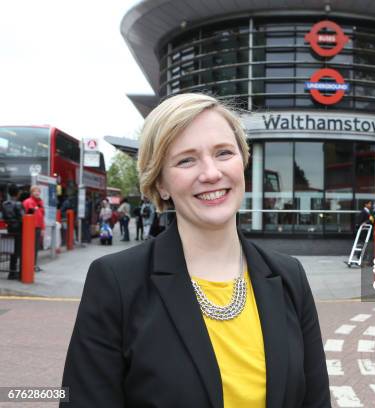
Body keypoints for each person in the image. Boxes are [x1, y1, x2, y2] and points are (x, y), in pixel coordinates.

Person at [61, 93, 330, 407]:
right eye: (186, 159)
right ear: (161, 183)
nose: (211, 173)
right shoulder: (116, 282)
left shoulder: (289, 276)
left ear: (242, 162)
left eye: (223, 153)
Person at [2, 184, 24, 279]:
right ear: (17, 193)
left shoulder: (4, 204)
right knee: (19, 252)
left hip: (10, 230)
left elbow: (4, 217)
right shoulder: (18, 204)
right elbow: (23, 217)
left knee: (12, 252)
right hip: (19, 231)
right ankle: (19, 272)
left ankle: (12, 272)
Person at [22, 185, 45, 272]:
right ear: (31, 192)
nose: (37, 193)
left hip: (38, 228)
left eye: (38, 191)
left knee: (36, 247)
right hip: (30, 228)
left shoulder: (40, 203)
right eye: (35, 191)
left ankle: (34, 264)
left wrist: (43, 228)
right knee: (29, 247)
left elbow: (42, 217)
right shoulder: (27, 202)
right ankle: (28, 265)